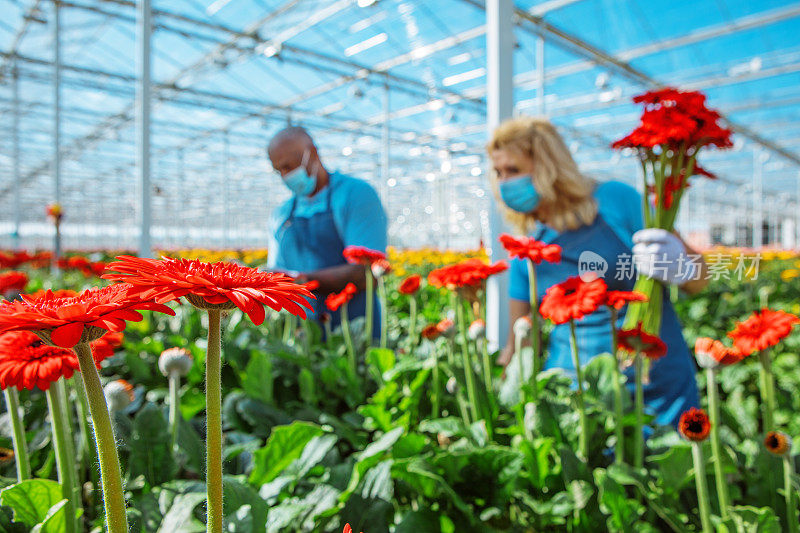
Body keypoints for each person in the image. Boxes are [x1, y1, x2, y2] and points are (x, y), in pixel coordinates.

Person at [488, 117, 708, 428]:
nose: (504, 182)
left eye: (513, 170)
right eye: (498, 173)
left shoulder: (615, 201)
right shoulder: (525, 248)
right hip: (579, 400)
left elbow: (699, 281)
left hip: (655, 384)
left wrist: (681, 266)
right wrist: (497, 386)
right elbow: (520, 340)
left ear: (548, 165)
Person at [267, 126, 387, 336]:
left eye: (288, 166)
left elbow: (366, 272)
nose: (285, 176)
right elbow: (276, 273)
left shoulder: (356, 195)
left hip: (354, 331)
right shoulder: (281, 214)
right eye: (279, 171)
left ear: (312, 153)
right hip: (302, 333)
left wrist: (298, 280)